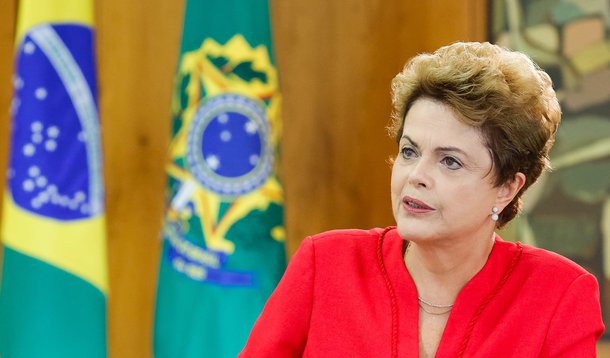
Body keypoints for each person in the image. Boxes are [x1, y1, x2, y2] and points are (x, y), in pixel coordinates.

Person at [239, 42, 605, 357]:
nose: (416, 176)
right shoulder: (325, 265)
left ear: (507, 187)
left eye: (450, 161)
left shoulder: (559, 296)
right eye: (410, 151)